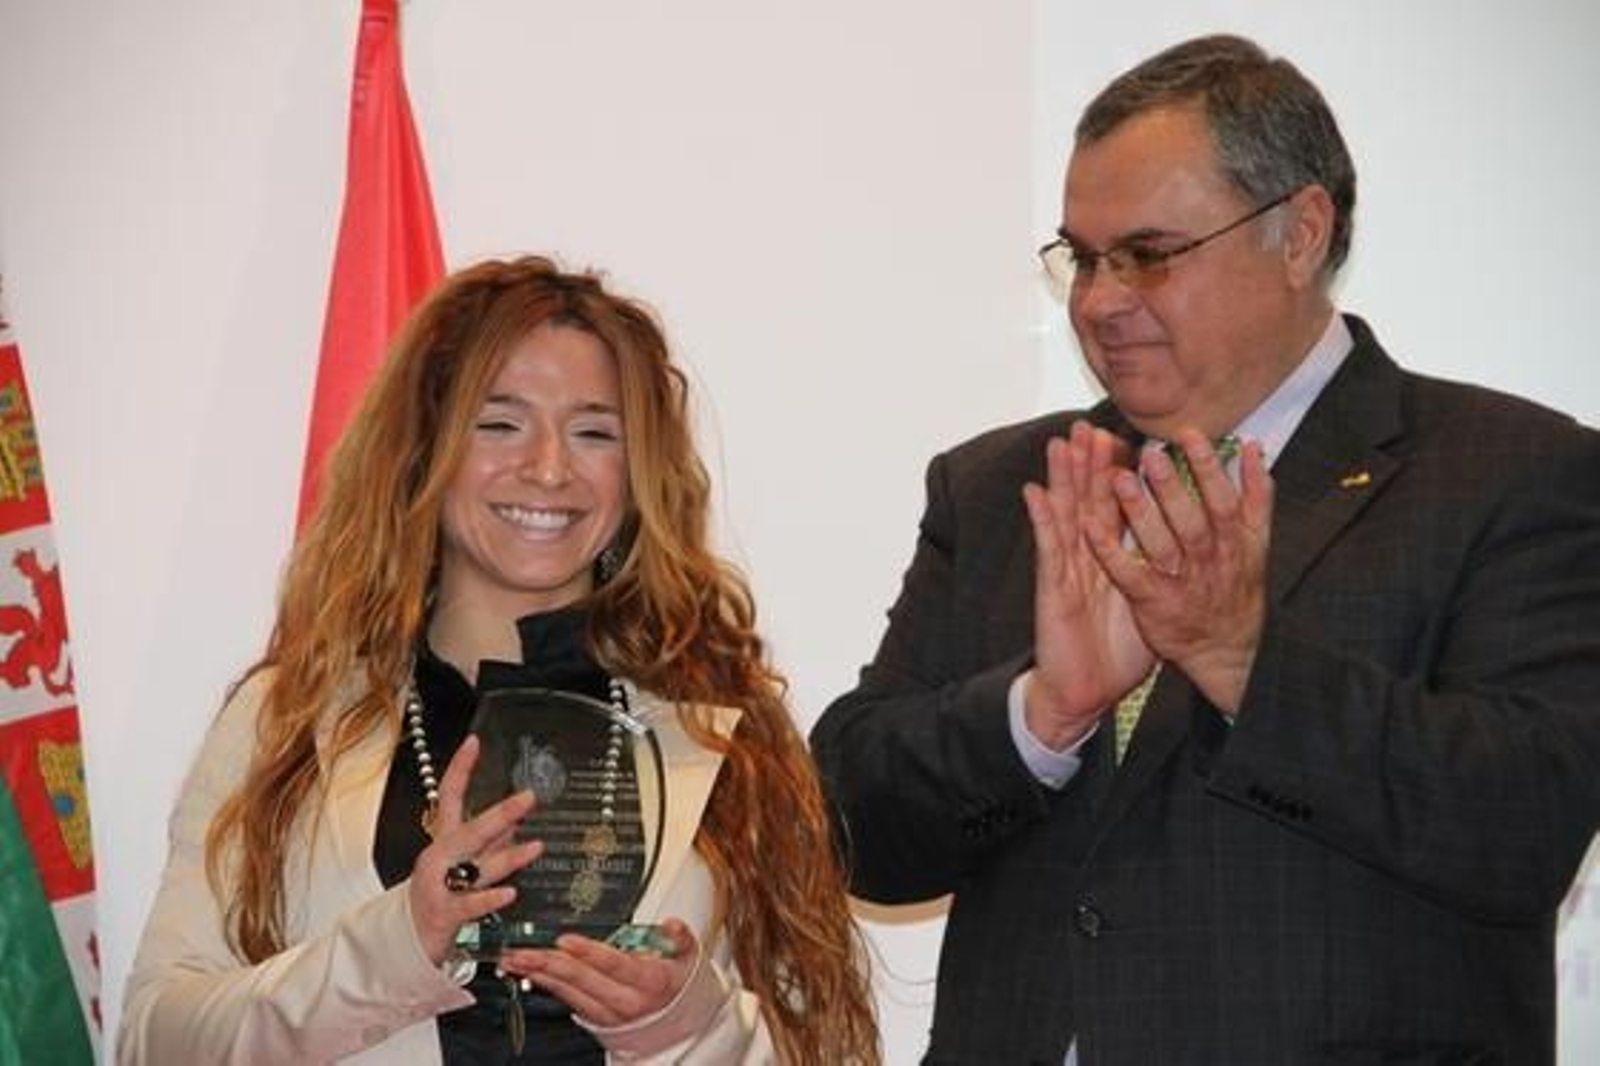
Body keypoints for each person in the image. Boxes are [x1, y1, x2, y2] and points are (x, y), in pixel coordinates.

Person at [811, 34, 1600, 1065]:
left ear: (1300, 232)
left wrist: (1240, 662)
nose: (1098, 298)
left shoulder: (1509, 472)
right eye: (1082, 257)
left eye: (1146, 253)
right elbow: (849, 823)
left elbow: (1522, 829)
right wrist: (1042, 714)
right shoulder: (1007, 487)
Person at [120, 256, 880, 1065]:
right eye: (500, 423)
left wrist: (686, 1027)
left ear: (639, 474)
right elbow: (153, 1038)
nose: (549, 468)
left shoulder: (728, 730)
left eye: (595, 431)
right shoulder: (289, 715)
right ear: (424, 452)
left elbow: (824, 1050)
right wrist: (398, 945)